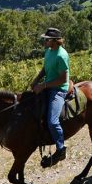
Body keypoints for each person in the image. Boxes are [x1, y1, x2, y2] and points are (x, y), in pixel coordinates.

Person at [31, 27, 70, 166]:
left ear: (54, 41)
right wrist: (36, 80)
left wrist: (43, 86)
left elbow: (63, 80)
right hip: (47, 85)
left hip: (58, 89)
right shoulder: (48, 51)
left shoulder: (61, 55)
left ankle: (61, 149)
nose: (44, 41)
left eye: (46, 39)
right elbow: (45, 69)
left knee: (53, 121)